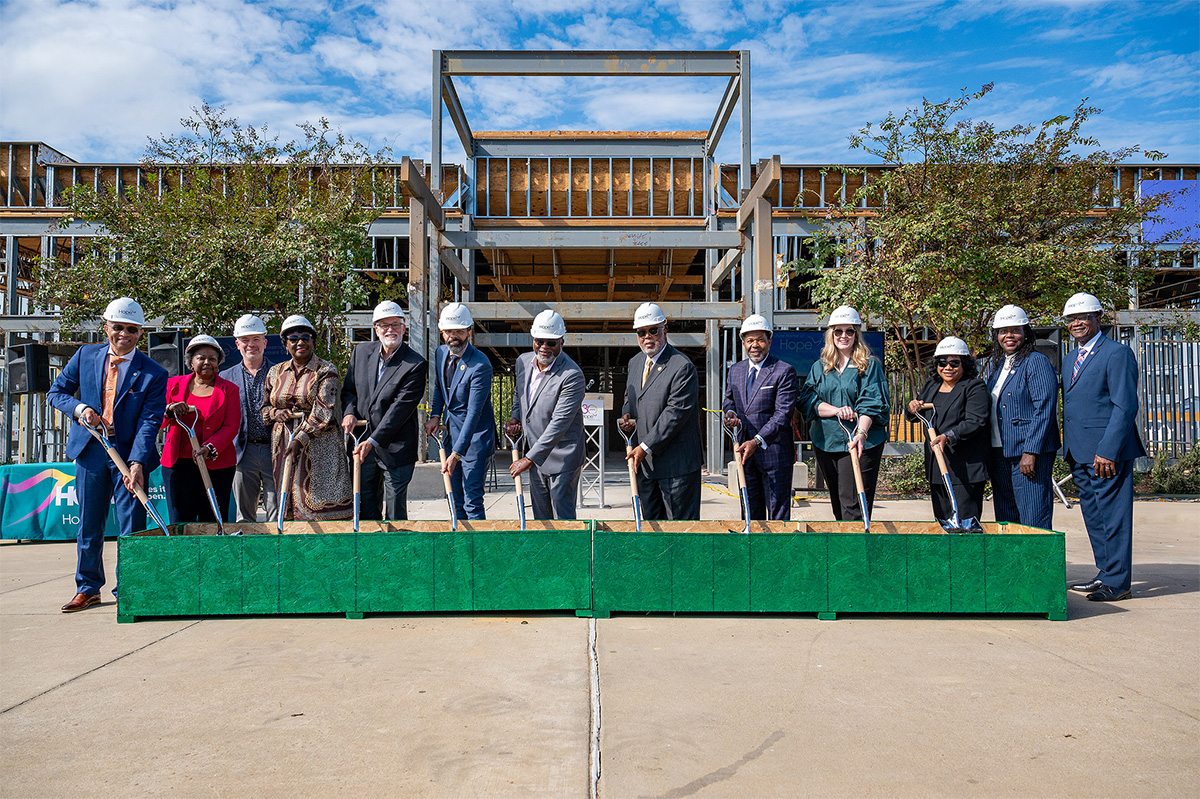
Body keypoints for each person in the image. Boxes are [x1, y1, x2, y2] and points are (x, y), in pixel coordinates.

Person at [46, 297, 168, 612]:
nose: (124, 334)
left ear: (140, 333)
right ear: (106, 327)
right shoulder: (85, 356)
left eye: (131, 329)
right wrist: (80, 409)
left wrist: (137, 462)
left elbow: (149, 422)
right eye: (118, 327)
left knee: (132, 526)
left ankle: (128, 587)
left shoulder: (153, 373)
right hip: (91, 451)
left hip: (128, 457)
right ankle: (87, 588)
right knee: (89, 523)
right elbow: (56, 393)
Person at [1062, 292, 1145, 602]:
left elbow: (1125, 406)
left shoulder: (1117, 353)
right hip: (1079, 452)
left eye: (1083, 317)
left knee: (1114, 517)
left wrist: (1108, 449)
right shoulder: (1070, 358)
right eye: (1071, 319)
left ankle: (1119, 583)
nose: (1076, 323)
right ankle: (1105, 573)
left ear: (1098, 318)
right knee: (1095, 517)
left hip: (1106, 454)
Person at [798, 305, 890, 522]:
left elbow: (872, 403)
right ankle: (843, 540)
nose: (843, 336)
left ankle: (855, 542)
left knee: (853, 504)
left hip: (860, 443)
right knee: (838, 503)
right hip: (826, 442)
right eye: (838, 331)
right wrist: (837, 411)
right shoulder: (820, 367)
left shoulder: (869, 366)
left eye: (849, 331)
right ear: (831, 334)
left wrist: (861, 434)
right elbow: (808, 401)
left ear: (857, 334)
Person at [341, 301, 427, 520]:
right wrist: (349, 412)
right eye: (385, 325)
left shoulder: (415, 364)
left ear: (404, 328)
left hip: (396, 449)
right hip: (362, 446)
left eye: (396, 324)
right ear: (376, 328)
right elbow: (349, 390)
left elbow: (399, 411)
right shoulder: (361, 353)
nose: (391, 330)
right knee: (365, 510)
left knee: (395, 512)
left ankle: (397, 544)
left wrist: (373, 441)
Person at [619, 302, 704, 520]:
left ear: (665, 329)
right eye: (641, 332)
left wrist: (645, 446)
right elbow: (631, 397)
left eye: (653, 330)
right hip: (645, 466)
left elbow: (675, 414)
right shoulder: (635, 363)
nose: (647, 337)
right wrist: (627, 414)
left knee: (679, 530)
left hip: (677, 468)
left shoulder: (681, 366)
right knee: (652, 529)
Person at [261, 314, 352, 521]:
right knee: (287, 500)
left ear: (313, 342)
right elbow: (264, 408)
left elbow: (323, 411)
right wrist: (276, 413)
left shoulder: (326, 370)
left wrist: (299, 440)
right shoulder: (275, 372)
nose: (300, 342)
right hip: (283, 443)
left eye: (305, 337)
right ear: (286, 345)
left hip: (320, 445)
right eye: (293, 339)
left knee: (319, 503)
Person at [982, 304, 1059, 530]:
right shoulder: (1000, 365)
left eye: (1015, 330)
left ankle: (1037, 556)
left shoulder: (1036, 361)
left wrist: (1031, 451)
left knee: (1033, 519)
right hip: (1001, 452)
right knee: (1007, 520)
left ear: (1026, 333)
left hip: (1027, 455)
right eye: (1003, 331)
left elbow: (1044, 408)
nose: (1009, 336)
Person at [504, 310, 586, 520]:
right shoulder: (523, 362)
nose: (544, 347)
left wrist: (528, 459)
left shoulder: (572, 375)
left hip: (562, 457)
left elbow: (559, 423)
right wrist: (515, 417)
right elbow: (519, 395)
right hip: (535, 454)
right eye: (539, 341)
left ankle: (567, 545)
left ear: (561, 342)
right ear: (533, 339)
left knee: (562, 521)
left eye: (551, 343)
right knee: (541, 520)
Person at [721, 314, 800, 520]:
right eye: (750, 340)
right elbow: (729, 400)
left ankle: (777, 544)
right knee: (749, 512)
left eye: (760, 340)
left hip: (774, 454)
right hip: (745, 455)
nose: (755, 345)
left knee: (778, 516)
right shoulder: (735, 371)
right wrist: (730, 414)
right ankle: (752, 542)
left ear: (769, 342)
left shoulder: (784, 371)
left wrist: (757, 441)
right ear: (743, 343)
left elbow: (782, 414)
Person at [904, 337, 990, 524]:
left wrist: (948, 436)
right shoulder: (932, 385)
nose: (947, 367)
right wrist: (912, 408)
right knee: (942, 523)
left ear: (964, 363)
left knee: (965, 523)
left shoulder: (974, 387)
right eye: (942, 363)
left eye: (954, 363)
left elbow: (975, 421)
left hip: (965, 469)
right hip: (937, 466)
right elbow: (918, 413)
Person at [424, 302, 496, 520]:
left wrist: (456, 454)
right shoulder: (440, 353)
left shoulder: (480, 365)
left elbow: (474, 414)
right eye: (448, 331)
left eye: (459, 331)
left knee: (472, 499)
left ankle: (476, 541)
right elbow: (439, 387)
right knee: (454, 498)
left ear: (469, 332)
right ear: (442, 332)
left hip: (475, 440)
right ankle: (460, 539)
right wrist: (435, 415)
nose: (453, 336)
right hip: (451, 435)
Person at [161, 335, 241, 524]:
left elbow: (231, 426)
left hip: (216, 464)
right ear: (191, 362)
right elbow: (158, 420)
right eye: (201, 358)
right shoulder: (173, 385)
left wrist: (210, 448)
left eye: (212, 359)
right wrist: (169, 410)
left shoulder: (229, 389)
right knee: (180, 519)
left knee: (212, 518)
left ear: (218, 363)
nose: (207, 362)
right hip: (178, 465)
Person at [219, 314, 278, 522]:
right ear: (237, 344)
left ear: (265, 342)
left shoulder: (281, 374)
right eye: (245, 340)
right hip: (242, 452)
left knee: (277, 512)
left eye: (256, 339)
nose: (250, 344)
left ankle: (277, 544)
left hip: (275, 450)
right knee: (244, 516)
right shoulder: (225, 377)